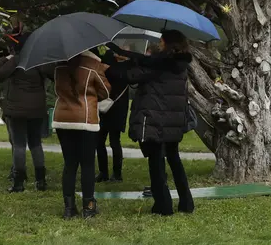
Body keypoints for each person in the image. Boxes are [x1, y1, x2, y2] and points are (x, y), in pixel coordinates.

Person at [105, 30, 195, 216]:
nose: (159, 44)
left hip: (155, 118)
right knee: (174, 159)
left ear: (168, 44)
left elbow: (131, 76)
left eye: (161, 42)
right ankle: (186, 203)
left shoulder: (159, 64)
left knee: (156, 163)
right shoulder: (180, 64)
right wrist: (131, 56)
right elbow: (147, 63)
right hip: (174, 120)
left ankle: (163, 206)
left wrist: (110, 66)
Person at [0, 18, 48, 194]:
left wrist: (5, 60)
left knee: (19, 145)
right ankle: (41, 180)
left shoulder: (15, 60)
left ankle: (18, 182)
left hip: (17, 110)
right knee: (36, 144)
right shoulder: (38, 60)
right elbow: (51, 74)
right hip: (37, 109)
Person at [53, 50, 111, 219]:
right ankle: (88, 207)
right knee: (87, 164)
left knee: (69, 164)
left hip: (62, 118)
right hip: (85, 119)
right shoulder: (92, 66)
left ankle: (69, 208)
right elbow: (106, 92)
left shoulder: (59, 66)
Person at [96, 52, 130, 183]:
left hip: (115, 107)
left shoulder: (126, 66)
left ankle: (115, 173)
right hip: (108, 106)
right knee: (102, 141)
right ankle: (106, 172)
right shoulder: (111, 61)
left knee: (113, 141)